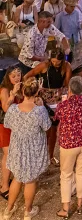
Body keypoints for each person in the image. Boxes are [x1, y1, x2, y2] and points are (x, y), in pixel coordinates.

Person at [3, 77, 50, 219]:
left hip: (18, 149)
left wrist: (11, 97)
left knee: (17, 178)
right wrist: (41, 105)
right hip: (33, 150)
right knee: (30, 180)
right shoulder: (39, 111)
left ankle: (8, 210)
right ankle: (27, 211)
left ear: (23, 91)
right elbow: (47, 127)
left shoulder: (12, 110)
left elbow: (7, 124)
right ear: (37, 93)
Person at [54, 76, 82, 217]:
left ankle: (65, 209)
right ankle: (80, 204)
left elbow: (57, 117)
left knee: (66, 175)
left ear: (70, 89)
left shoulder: (63, 106)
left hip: (68, 143)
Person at [0, 67, 22, 200]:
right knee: (8, 155)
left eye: (19, 75)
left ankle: (12, 179)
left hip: (16, 126)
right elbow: (6, 108)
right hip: (5, 126)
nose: (17, 78)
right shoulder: (5, 90)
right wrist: (13, 94)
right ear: (8, 77)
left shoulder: (20, 87)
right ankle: (4, 186)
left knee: (14, 153)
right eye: (13, 76)